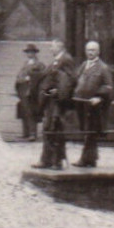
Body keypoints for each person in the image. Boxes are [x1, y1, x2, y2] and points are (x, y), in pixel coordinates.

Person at [32, 42, 77, 170]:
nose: (50, 48)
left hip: (58, 101)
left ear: (59, 47)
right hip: (50, 100)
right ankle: (46, 160)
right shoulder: (56, 60)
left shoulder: (66, 59)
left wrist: (59, 91)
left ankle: (56, 161)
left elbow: (71, 79)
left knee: (56, 128)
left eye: (52, 46)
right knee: (48, 128)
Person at [71, 39, 113, 168]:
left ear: (98, 52)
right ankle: (92, 159)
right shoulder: (83, 65)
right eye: (88, 50)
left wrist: (99, 97)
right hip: (81, 103)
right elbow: (76, 79)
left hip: (93, 105)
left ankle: (85, 159)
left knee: (91, 131)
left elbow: (108, 86)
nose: (90, 52)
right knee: (86, 131)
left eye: (93, 50)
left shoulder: (103, 67)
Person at [13, 44, 46, 141]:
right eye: (28, 52)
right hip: (23, 89)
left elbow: (42, 76)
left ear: (35, 53)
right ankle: (25, 132)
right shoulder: (26, 63)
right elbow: (20, 76)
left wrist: (31, 77)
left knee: (31, 111)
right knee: (24, 111)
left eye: (31, 52)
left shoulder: (39, 64)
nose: (29, 54)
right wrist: (20, 80)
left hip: (32, 91)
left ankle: (33, 133)